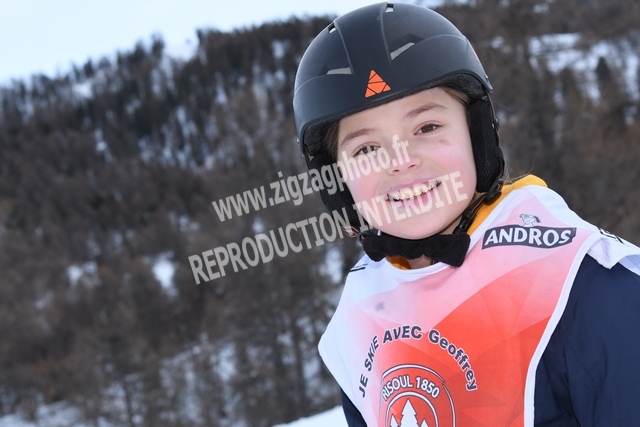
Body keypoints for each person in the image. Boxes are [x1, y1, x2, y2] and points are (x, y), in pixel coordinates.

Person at [292, 3, 640, 426]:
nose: (400, 161)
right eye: (366, 149)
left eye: (426, 128)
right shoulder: (363, 315)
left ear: (477, 133)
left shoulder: (582, 286)